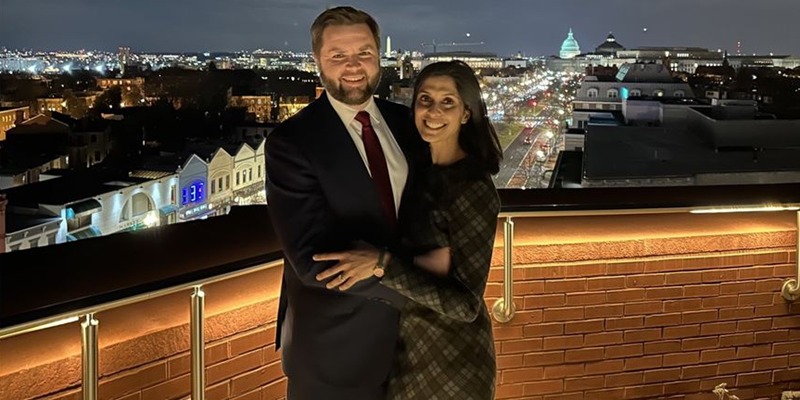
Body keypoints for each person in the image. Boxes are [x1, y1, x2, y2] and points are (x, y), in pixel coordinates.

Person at [315, 60, 502, 399]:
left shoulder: (472, 188)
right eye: (425, 99)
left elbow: (465, 305)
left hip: (454, 362)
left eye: (448, 102)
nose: (433, 111)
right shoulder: (418, 169)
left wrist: (382, 263)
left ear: (466, 113)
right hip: (408, 350)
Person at [265, 6, 426, 400]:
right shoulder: (292, 142)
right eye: (338, 55)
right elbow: (314, 263)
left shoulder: (408, 124)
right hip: (336, 355)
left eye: (364, 53)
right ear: (317, 60)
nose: (353, 66)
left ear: (379, 56)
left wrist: (385, 265)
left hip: (422, 352)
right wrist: (428, 291)